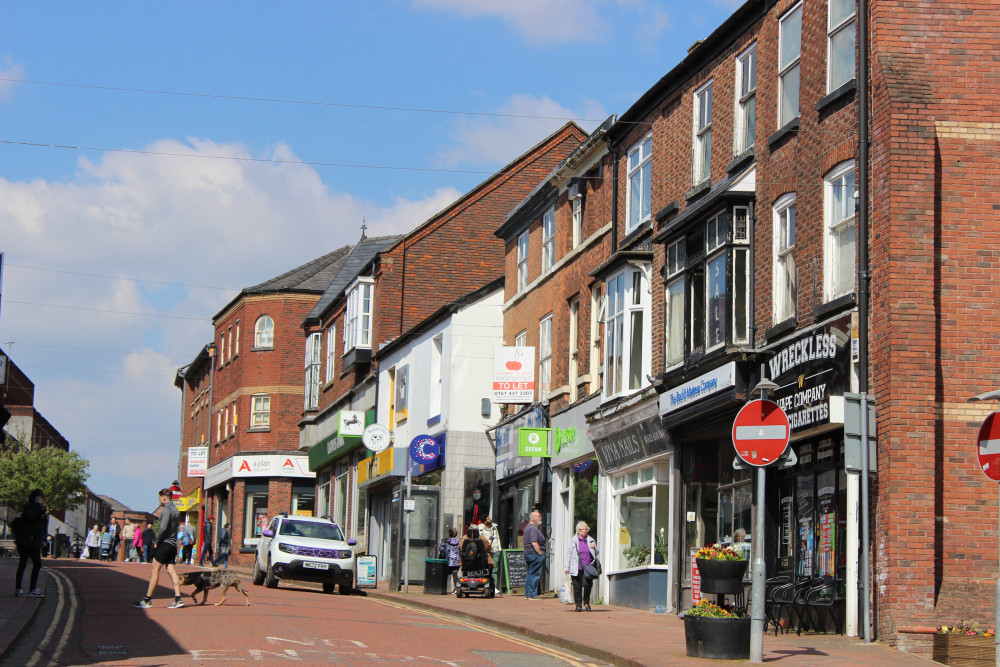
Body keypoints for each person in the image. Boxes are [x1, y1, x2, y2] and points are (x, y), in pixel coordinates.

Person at [133, 488, 184, 609]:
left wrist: (157, 541)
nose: (159, 500)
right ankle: (178, 598)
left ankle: (147, 599)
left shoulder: (166, 510)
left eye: (160, 498)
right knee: (171, 571)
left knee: (155, 569)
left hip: (165, 543)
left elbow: (163, 528)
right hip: (173, 544)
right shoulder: (176, 510)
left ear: (164, 498)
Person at [14, 489, 48, 598]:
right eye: (41, 497)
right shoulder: (29, 507)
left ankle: (32, 588)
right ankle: (18, 589)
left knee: (37, 564)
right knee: (23, 563)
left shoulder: (41, 510)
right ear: (36, 498)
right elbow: (29, 517)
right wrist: (38, 508)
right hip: (25, 541)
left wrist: (43, 539)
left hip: (35, 542)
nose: (42, 499)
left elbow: (42, 527)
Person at [564, 521, 599, 612]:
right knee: (577, 587)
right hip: (576, 567)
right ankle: (578, 605)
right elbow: (568, 554)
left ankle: (586, 603)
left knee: (588, 585)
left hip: (588, 567)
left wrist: (594, 547)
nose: (584, 531)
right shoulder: (573, 541)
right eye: (582, 530)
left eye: (585, 529)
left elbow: (597, 553)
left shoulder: (591, 540)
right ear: (578, 531)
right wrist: (566, 568)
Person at [522, 510, 545, 599]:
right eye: (539, 516)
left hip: (529, 553)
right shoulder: (532, 528)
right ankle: (532, 594)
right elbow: (534, 542)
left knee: (530, 573)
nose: (540, 518)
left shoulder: (528, 527)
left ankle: (528, 594)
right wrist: (540, 553)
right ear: (534, 518)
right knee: (534, 574)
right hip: (533, 553)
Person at [477, 517, 502, 596]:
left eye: (490, 518)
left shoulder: (494, 527)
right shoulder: (480, 528)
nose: (490, 519)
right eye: (488, 517)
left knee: (494, 569)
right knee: (486, 569)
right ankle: (486, 586)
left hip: (495, 550)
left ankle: (495, 587)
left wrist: (499, 548)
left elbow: (497, 538)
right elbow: (481, 539)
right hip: (486, 551)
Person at [438, 528, 461, 594]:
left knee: (445, 575)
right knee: (455, 575)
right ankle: (456, 589)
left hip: (447, 561)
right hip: (456, 562)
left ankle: (443, 588)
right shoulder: (458, 541)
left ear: (449, 534)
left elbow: (441, 549)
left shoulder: (445, 541)